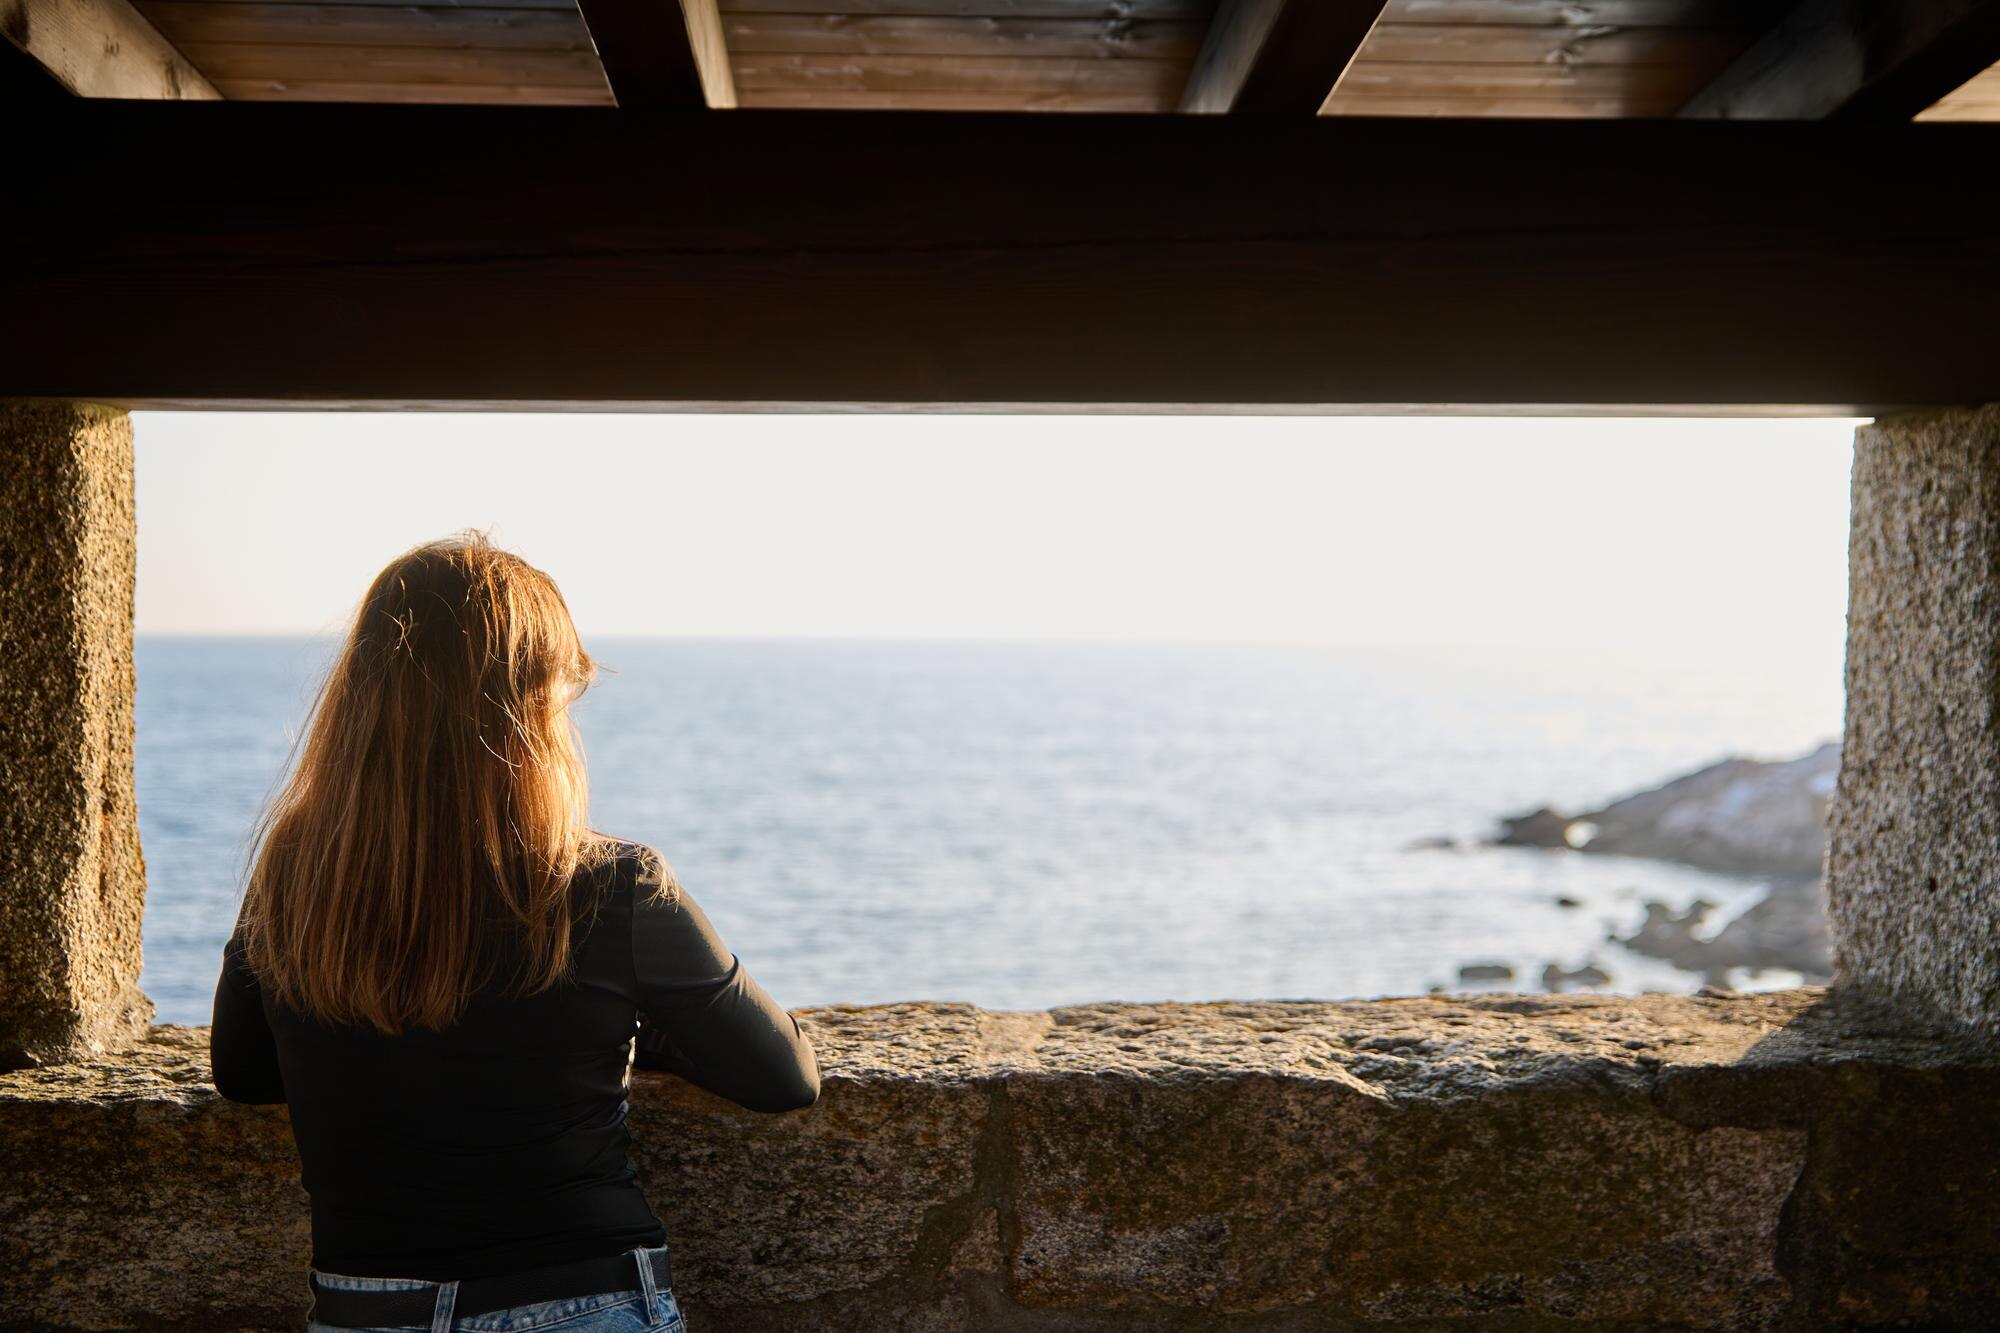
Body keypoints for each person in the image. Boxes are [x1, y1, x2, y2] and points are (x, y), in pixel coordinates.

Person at [210, 532, 819, 1333]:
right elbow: (784, 1075)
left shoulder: (295, 875)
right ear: (530, 711)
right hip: (584, 1298)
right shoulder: (612, 885)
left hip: (368, 1309)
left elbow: (244, 1069)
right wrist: (632, 1031)